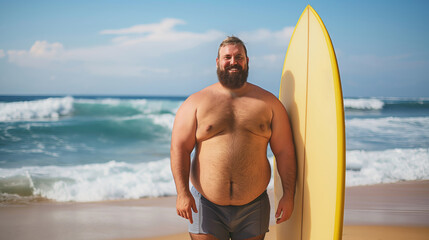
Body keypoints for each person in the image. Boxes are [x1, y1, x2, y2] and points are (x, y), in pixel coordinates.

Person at [170, 36, 296, 240]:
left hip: (254, 205)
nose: (233, 61)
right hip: (206, 204)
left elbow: (284, 152)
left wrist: (288, 195)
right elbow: (179, 148)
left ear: (247, 61)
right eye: (227, 57)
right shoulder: (196, 102)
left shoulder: (269, 103)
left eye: (239, 56)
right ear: (218, 62)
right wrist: (182, 193)